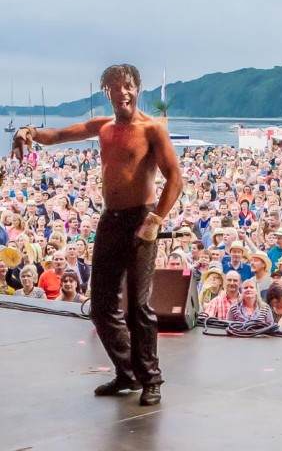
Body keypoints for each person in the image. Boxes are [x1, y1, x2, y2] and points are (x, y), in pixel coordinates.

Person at [12, 64, 183, 407]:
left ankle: (151, 378)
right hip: (110, 219)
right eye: (115, 88)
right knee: (101, 304)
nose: (122, 93)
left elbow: (175, 179)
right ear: (108, 93)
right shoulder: (103, 128)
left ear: (137, 88)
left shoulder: (152, 130)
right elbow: (59, 136)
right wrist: (29, 131)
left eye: (127, 87)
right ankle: (127, 372)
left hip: (140, 217)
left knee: (138, 305)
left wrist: (155, 221)